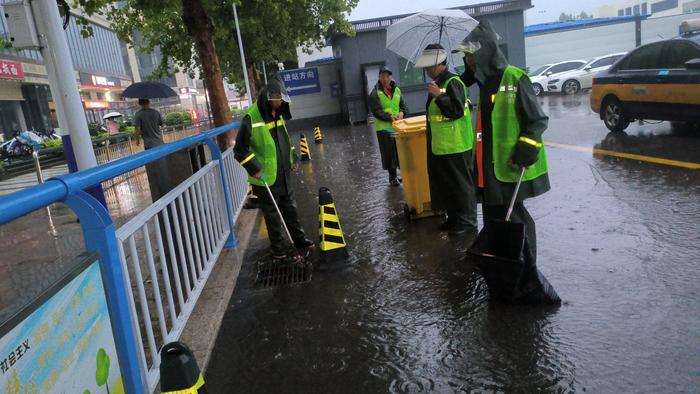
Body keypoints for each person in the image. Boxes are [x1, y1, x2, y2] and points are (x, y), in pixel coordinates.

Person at [458, 21, 550, 275]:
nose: (467, 60)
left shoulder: (515, 78)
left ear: (483, 50)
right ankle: (505, 264)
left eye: (468, 55)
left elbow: (537, 120)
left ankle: (528, 268)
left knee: (516, 216)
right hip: (488, 166)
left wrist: (524, 151)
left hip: (509, 164)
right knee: (494, 216)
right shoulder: (484, 83)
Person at [234, 79, 313, 260]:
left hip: (282, 172)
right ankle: (278, 249)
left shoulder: (277, 113)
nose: (279, 104)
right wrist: (254, 168)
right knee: (272, 214)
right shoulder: (251, 117)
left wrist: (292, 158)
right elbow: (239, 150)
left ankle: (298, 239)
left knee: (290, 208)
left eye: (281, 100)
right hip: (264, 176)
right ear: (268, 99)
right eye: (276, 100)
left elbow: (284, 140)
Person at [416, 43, 477, 236]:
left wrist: (438, 96)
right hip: (441, 146)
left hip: (456, 145)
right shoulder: (439, 83)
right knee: (447, 185)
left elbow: (457, 110)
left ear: (439, 64)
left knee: (461, 185)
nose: (426, 70)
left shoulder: (454, 82)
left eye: (428, 66)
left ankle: (467, 222)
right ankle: (453, 219)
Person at [367, 66, 407, 186]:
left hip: (398, 127)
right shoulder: (374, 94)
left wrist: (402, 113)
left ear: (390, 77)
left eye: (387, 76)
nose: (385, 79)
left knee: (400, 152)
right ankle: (392, 177)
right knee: (389, 153)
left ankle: (403, 175)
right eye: (383, 76)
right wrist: (389, 117)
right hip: (384, 128)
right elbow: (376, 111)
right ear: (379, 77)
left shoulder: (397, 90)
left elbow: (404, 106)